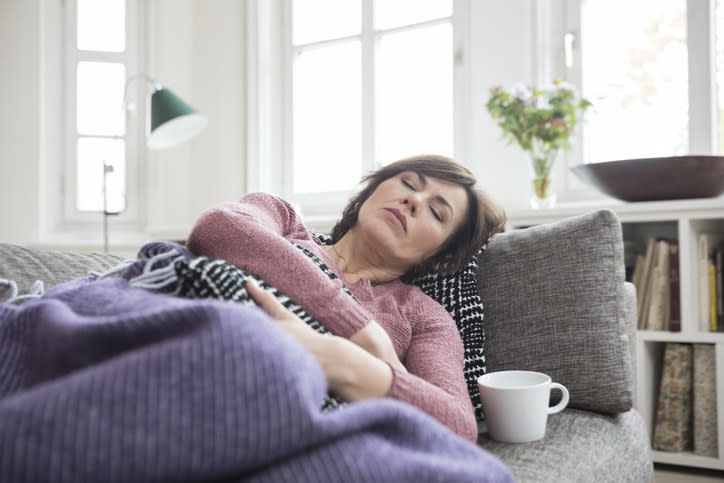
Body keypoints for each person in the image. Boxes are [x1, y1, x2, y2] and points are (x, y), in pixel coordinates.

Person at [186, 154, 506, 443]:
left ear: (439, 254)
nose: (414, 199)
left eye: (437, 213)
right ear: (372, 189)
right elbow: (218, 228)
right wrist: (361, 331)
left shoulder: (424, 317)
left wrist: (341, 360)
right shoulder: (283, 222)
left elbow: (458, 427)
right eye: (408, 182)